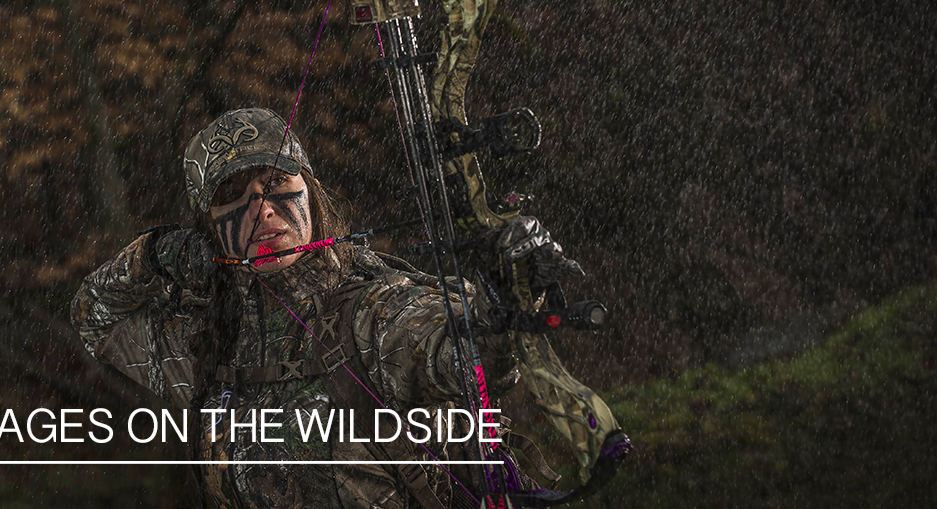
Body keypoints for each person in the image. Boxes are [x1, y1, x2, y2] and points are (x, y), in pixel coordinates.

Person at [71, 107, 622, 508]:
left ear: (311, 194)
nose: (262, 211)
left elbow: (458, 353)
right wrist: (155, 253)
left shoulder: (369, 307)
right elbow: (93, 317)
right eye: (233, 197)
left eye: (276, 184)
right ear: (209, 232)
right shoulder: (205, 343)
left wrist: (504, 301)